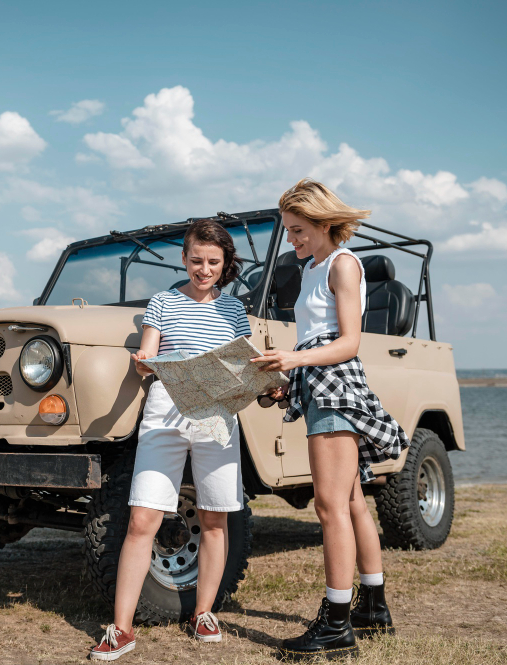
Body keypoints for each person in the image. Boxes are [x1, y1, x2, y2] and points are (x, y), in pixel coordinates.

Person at [252, 179, 410, 661]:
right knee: (352, 501)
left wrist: (293, 363)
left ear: (323, 223)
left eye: (298, 230)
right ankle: (374, 605)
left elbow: (348, 344)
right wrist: (286, 375)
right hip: (320, 383)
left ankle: (337, 623)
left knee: (329, 508)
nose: (292, 240)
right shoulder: (313, 268)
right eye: (289, 231)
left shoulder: (343, 264)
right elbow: (316, 339)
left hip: (336, 387)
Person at [89, 220, 251, 661]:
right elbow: (148, 356)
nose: (204, 270)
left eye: (213, 262)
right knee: (143, 519)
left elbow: (241, 365)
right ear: (183, 258)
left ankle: (204, 613)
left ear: (224, 263)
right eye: (196, 261)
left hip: (217, 413)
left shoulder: (235, 310)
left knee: (216, 518)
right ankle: (121, 629)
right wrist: (143, 362)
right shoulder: (163, 302)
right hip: (166, 408)